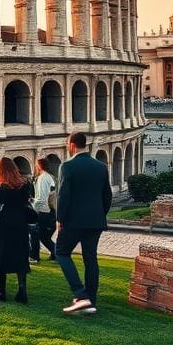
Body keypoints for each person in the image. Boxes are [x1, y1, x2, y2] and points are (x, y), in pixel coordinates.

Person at [56, 132, 113, 315]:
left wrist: (60, 219)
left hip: (73, 220)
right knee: (91, 259)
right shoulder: (101, 166)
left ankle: (81, 295)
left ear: (72, 145)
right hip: (95, 221)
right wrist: (99, 215)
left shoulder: (68, 166)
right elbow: (107, 196)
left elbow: (63, 195)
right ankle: (91, 301)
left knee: (62, 253)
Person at [0, 157, 34, 303]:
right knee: (20, 255)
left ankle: (2, 292)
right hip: (20, 222)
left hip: (2, 223)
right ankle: (22, 290)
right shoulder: (24, 183)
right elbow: (27, 200)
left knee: (1, 256)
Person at [31, 157, 57, 261]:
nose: (35, 167)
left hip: (44, 211)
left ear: (39, 166)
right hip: (49, 210)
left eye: (36, 165)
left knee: (37, 234)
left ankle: (34, 256)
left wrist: (33, 206)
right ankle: (54, 253)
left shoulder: (42, 178)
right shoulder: (49, 177)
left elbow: (41, 198)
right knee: (43, 236)